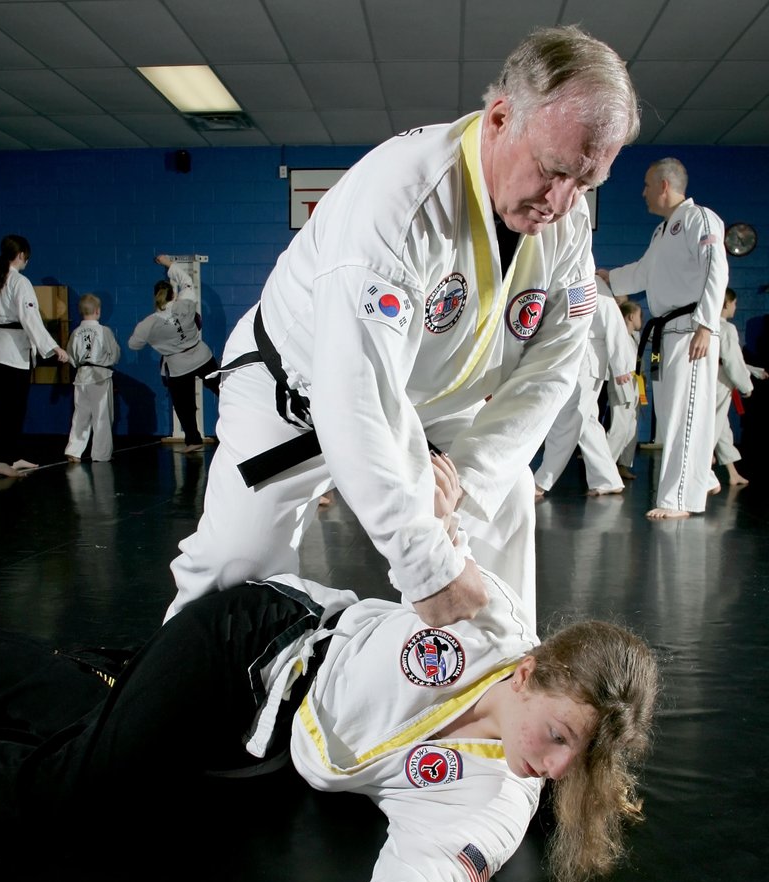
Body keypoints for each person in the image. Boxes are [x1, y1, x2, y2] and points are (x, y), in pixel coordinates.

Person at [0, 457, 659, 882]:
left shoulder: (499, 796)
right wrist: (435, 520)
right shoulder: (483, 620)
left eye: (583, 758)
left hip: (265, 740)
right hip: (254, 639)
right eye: (561, 735)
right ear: (528, 672)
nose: (558, 768)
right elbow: (441, 556)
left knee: (130, 759)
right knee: (81, 792)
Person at [165, 25, 640, 628]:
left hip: (428, 406)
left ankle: (488, 692)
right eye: (553, 170)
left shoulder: (567, 225)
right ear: (499, 118)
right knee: (236, 566)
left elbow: (552, 369)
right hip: (297, 398)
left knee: (506, 501)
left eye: (586, 182)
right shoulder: (402, 197)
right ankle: (164, 701)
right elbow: (354, 393)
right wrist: (427, 568)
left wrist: (461, 485)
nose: (563, 201)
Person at [598, 158, 729, 520]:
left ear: (664, 186)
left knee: (684, 416)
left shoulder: (698, 218)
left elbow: (716, 267)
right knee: (670, 414)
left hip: (691, 330)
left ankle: (677, 500)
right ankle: (700, 480)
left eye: (646, 185)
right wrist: (610, 278)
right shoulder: (663, 231)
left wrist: (706, 324)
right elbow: (643, 273)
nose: (642, 192)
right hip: (666, 333)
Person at [0, 234, 69, 478]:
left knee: (6, 409)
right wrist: (53, 348)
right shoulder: (20, 282)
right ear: (21, 255)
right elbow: (31, 320)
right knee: (12, 410)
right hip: (12, 355)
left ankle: (11, 457)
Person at [533, 277, 629, 497]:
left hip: (584, 363)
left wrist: (622, 366)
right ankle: (607, 479)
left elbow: (611, 320)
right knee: (586, 423)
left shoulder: (587, 282)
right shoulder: (572, 280)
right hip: (577, 360)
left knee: (566, 421)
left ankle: (542, 480)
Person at [128, 268, 219, 453]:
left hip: (179, 366)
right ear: (174, 294)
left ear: (155, 297)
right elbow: (186, 280)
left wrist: (157, 340)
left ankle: (193, 440)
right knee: (222, 389)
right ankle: (245, 421)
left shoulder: (149, 323)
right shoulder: (186, 304)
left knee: (184, 406)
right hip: (202, 355)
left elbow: (133, 345)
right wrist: (169, 264)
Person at [714, 287, 762, 487]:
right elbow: (732, 362)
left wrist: (754, 371)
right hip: (720, 384)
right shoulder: (727, 329)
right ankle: (703, 470)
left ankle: (732, 473)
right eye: (734, 303)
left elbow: (728, 360)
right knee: (713, 428)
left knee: (722, 428)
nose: (736, 307)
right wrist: (746, 387)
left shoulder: (706, 326)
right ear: (726, 304)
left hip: (711, 382)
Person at [64, 294, 120, 464]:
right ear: (98, 311)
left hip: (81, 376)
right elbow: (115, 354)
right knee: (102, 416)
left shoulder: (76, 332)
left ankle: (74, 451)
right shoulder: (104, 331)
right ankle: (101, 455)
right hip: (100, 377)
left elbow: (70, 356)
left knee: (81, 415)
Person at [607, 299, 644, 480]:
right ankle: (605, 468)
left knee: (631, 429)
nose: (641, 320)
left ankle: (622, 465)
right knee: (619, 429)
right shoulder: (618, 336)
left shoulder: (633, 338)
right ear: (630, 316)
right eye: (639, 316)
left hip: (635, 385)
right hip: (621, 384)